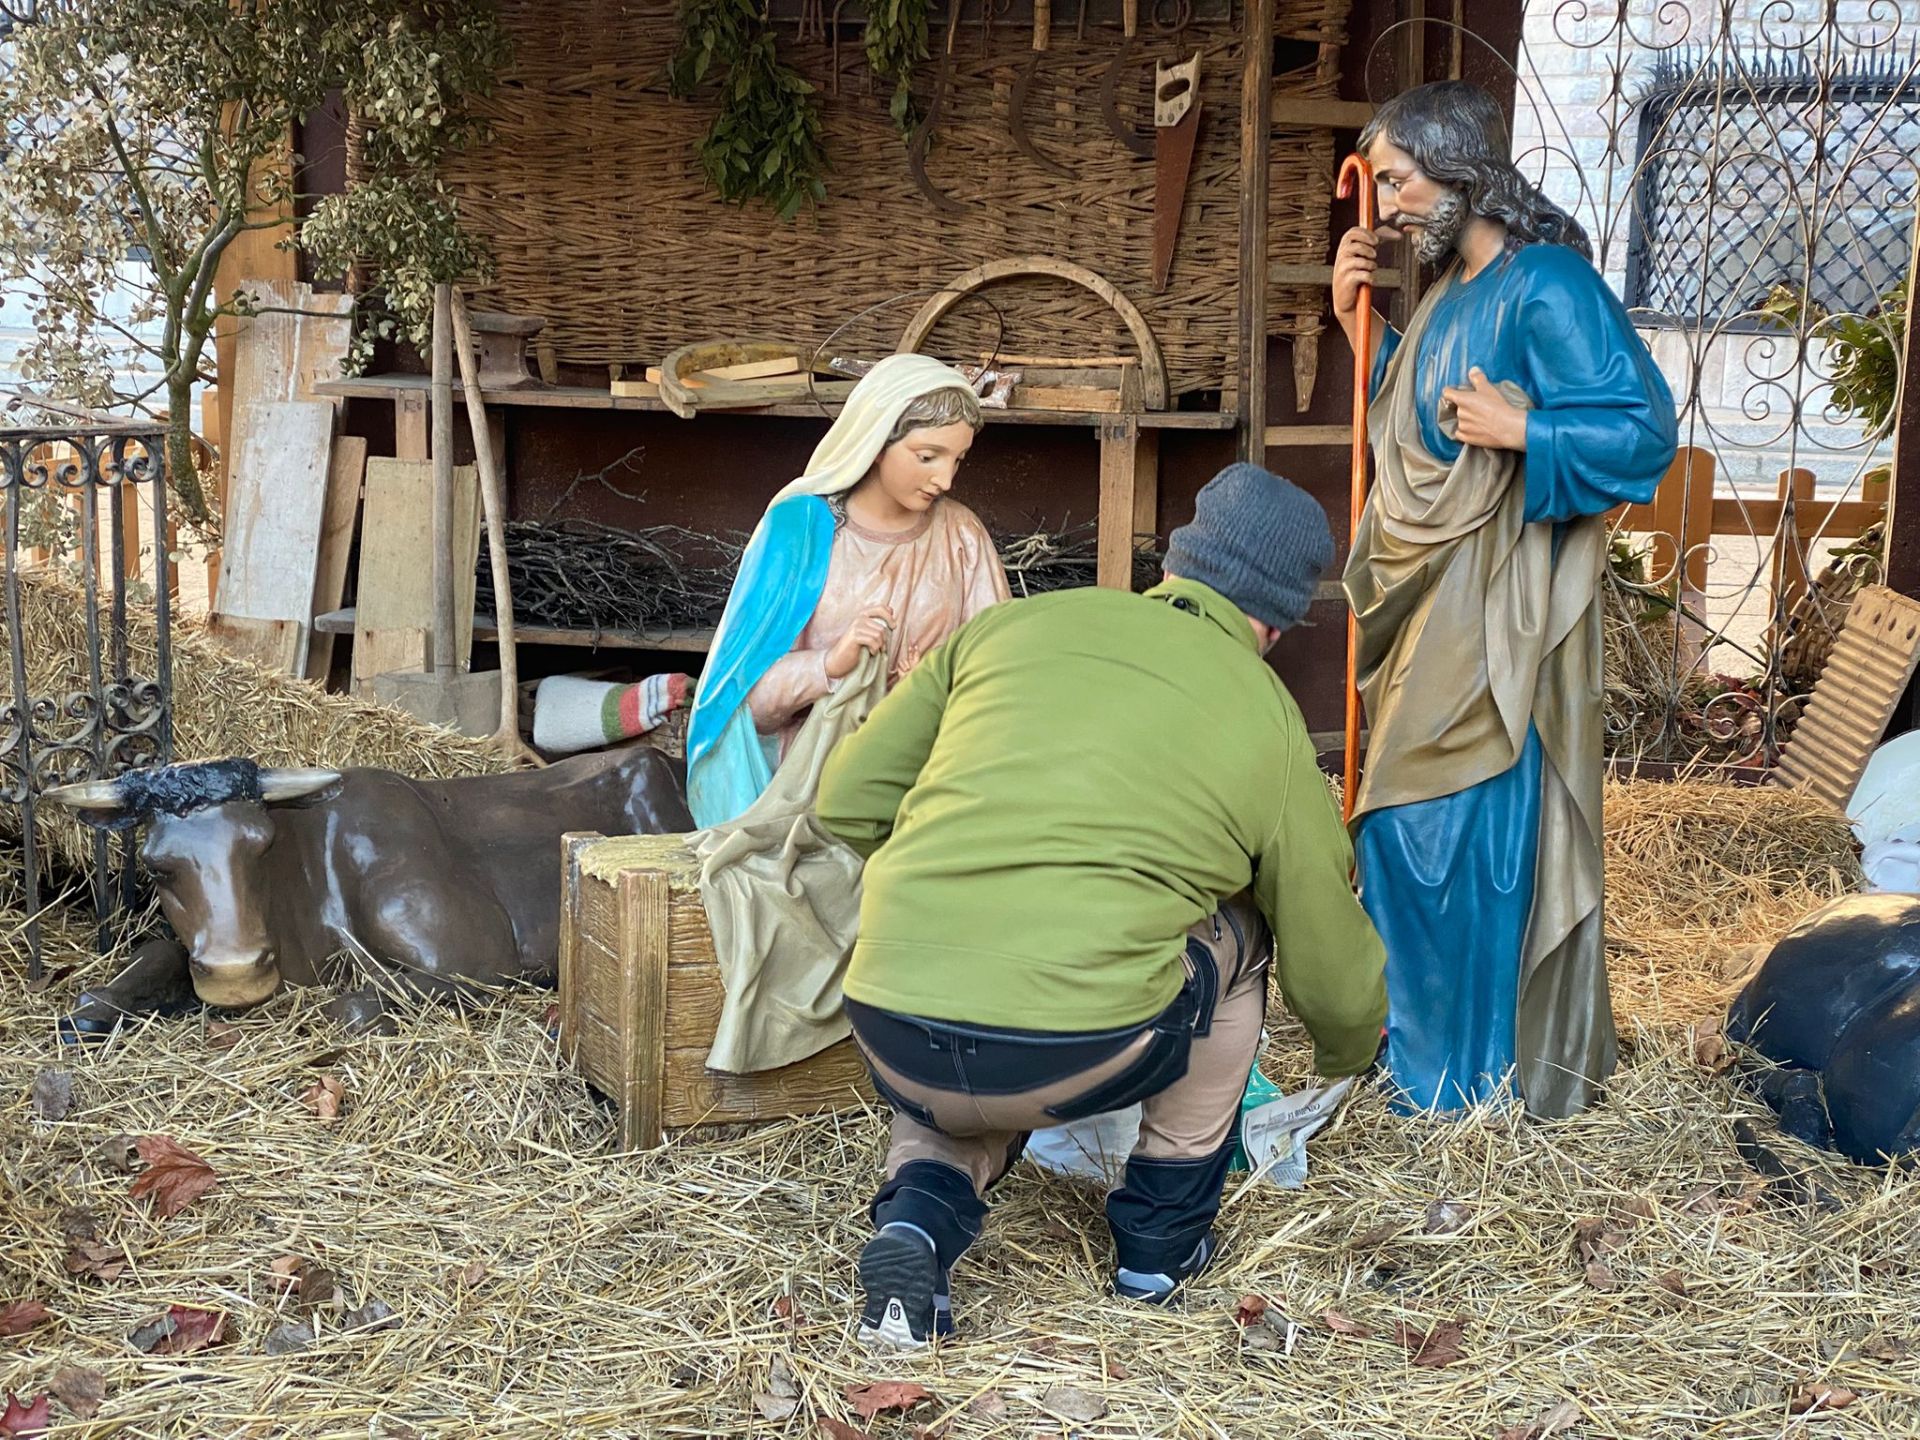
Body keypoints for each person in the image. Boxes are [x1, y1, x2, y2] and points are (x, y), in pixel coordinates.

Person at [814, 463, 1388, 1351]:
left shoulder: (1010, 629)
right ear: (1274, 623)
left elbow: (844, 803)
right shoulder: (1265, 711)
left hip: (894, 1018)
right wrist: (1355, 1050)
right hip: (1076, 1042)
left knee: (970, 1043)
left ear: (1175, 565)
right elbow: (1324, 946)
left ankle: (916, 1228)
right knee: (1245, 932)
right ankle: (1160, 1247)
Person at [1331, 81, 1678, 1119]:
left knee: (1454, 835)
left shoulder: (1547, 288)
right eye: (1381, 183)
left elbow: (1643, 431)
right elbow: (1417, 428)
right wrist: (1359, 328)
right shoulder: (1442, 293)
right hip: (1425, 600)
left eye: (1398, 179)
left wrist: (1528, 434)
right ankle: (1418, 1064)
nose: (1387, 204)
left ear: (1460, 169)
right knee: (1397, 835)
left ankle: (1472, 1076)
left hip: (1496, 616)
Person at [686, 353, 1011, 827]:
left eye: (957, 459)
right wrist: (830, 666)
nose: (945, 479)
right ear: (877, 441)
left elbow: (1000, 678)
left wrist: (935, 687)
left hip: (934, 794)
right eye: (927, 457)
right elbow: (743, 711)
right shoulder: (801, 532)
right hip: (813, 801)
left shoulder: (961, 535)